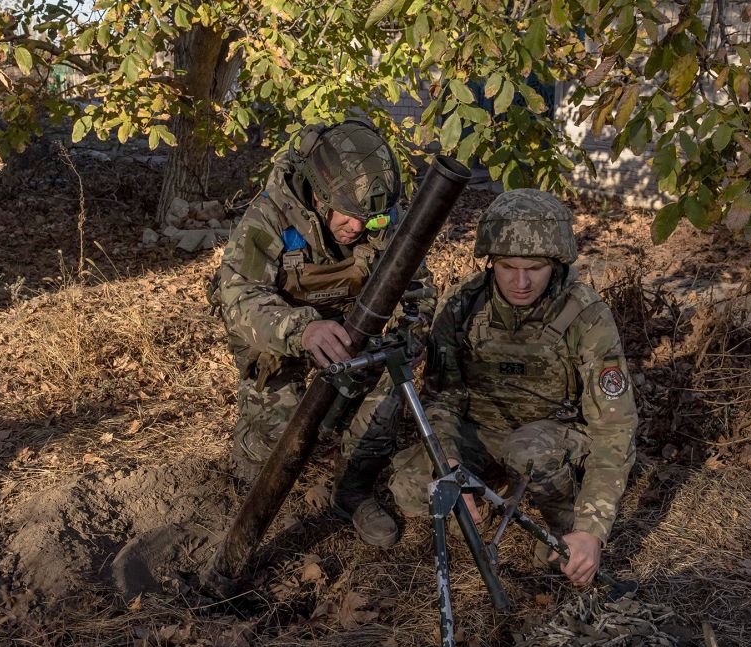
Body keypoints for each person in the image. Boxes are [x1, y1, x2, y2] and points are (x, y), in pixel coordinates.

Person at [388, 189, 637, 587]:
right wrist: (448, 463)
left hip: (551, 433)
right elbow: (442, 398)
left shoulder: (584, 314)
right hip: (481, 430)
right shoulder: (462, 305)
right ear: (491, 263)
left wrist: (592, 528)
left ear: (555, 264)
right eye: (507, 267)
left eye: (534, 268)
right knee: (410, 484)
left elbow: (614, 427)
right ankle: (486, 492)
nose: (520, 282)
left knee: (529, 451)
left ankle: (562, 522)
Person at [210, 118, 435, 547]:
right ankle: (251, 464)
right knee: (277, 438)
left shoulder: (378, 214)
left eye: (372, 222)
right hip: (279, 332)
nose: (361, 229)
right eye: (351, 218)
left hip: (352, 328)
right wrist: (303, 329)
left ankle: (352, 490)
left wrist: (411, 334)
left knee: (387, 396)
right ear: (319, 194)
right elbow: (238, 298)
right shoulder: (270, 216)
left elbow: (418, 285)